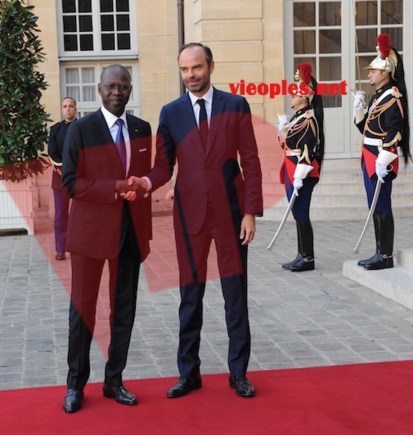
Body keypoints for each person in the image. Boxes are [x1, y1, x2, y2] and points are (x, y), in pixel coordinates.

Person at [133, 42, 264, 398]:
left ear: (210, 67)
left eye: (196, 68)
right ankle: (189, 373)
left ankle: (238, 373)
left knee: (235, 297)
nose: (190, 75)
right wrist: (145, 182)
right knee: (190, 298)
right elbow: (164, 165)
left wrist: (251, 212)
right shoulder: (171, 112)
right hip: (188, 218)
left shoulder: (235, 105)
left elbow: (250, 162)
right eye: (184, 70)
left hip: (232, 217)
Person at [60, 65, 153, 413]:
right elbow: (71, 183)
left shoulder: (143, 128)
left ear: (131, 90)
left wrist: (140, 190)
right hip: (89, 237)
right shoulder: (82, 130)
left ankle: (115, 381)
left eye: (124, 87)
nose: (118, 92)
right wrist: (115, 189)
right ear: (99, 89)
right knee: (82, 313)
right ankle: (75, 385)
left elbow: (144, 179)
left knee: (123, 312)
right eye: (111, 86)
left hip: (130, 236)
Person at [353, 34, 411, 270]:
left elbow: (395, 131)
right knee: (374, 206)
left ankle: (385, 256)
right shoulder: (379, 97)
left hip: (380, 158)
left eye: (373, 71)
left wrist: (384, 159)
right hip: (369, 156)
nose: (369, 74)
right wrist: (359, 111)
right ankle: (379, 251)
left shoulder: (392, 97)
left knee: (382, 206)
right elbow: (366, 128)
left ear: (384, 73)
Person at [276, 63, 324, 272]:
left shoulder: (307, 119)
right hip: (291, 167)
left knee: (302, 213)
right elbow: (289, 144)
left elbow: (307, 149)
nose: (290, 98)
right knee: (298, 213)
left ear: (304, 97)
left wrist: (299, 175)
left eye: (294, 96)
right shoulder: (297, 118)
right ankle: (301, 254)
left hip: (300, 171)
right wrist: (283, 131)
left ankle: (308, 258)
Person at [48, 97, 77, 261]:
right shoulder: (55, 129)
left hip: (80, 178)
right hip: (60, 178)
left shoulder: (84, 127)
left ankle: (78, 246)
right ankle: (60, 249)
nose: (68, 109)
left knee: (79, 215)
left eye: (71, 106)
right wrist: (65, 169)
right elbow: (52, 153)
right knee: (60, 216)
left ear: (75, 109)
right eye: (65, 106)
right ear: (62, 109)